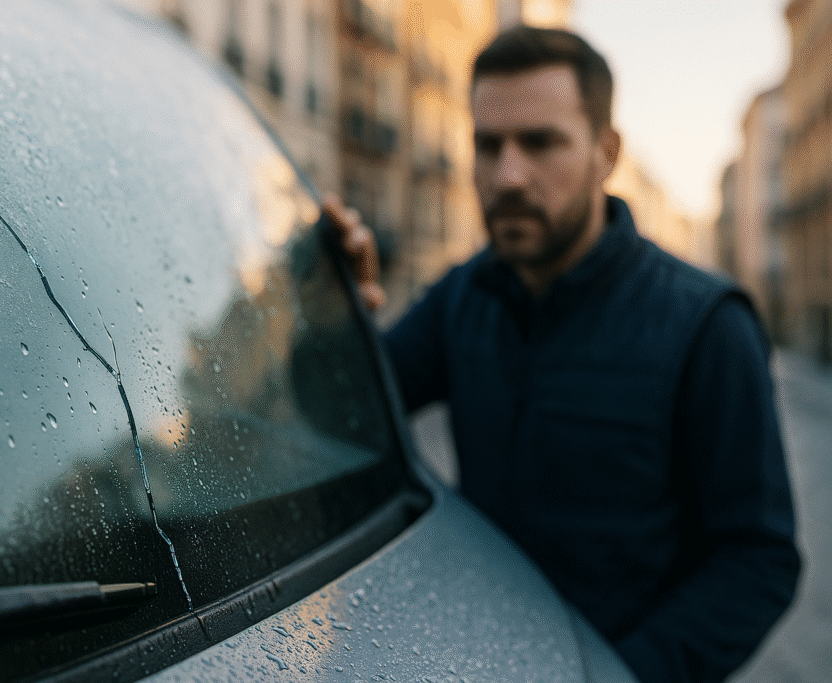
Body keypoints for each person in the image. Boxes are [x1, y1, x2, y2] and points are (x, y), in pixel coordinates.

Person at [325, 25, 800, 683]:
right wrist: (328, 306)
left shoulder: (706, 324)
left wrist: (614, 672)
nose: (508, 175)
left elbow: (758, 558)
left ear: (606, 152)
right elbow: (344, 406)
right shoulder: (463, 295)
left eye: (541, 142)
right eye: (488, 146)